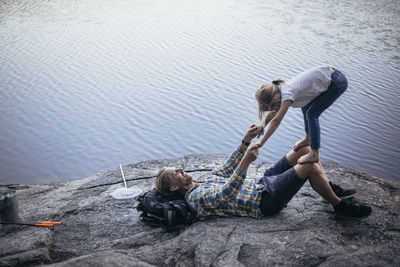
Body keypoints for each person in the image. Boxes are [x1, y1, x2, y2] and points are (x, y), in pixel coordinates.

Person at [154, 124, 371, 220]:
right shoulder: (196, 199)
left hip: (262, 182)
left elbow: (228, 167)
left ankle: (328, 188)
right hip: (265, 200)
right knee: (309, 166)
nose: (182, 169)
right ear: (174, 187)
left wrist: (245, 140)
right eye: (177, 172)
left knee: (303, 150)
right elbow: (225, 194)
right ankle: (339, 206)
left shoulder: (201, 180)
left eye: (179, 168)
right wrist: (247, 161)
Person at [255, 66, 347, 164]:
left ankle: (314, 153)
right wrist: (262, 125)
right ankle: (308, 139)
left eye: (273, 104)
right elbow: (273, 113)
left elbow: (276, 120)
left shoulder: (287, 94)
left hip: (335, 81)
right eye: (272, 107)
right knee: (306, 107)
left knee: (312, 114)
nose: (275, 107)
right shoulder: (280, 91)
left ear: (274, 95)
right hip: (332, 77)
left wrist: (261, 142)